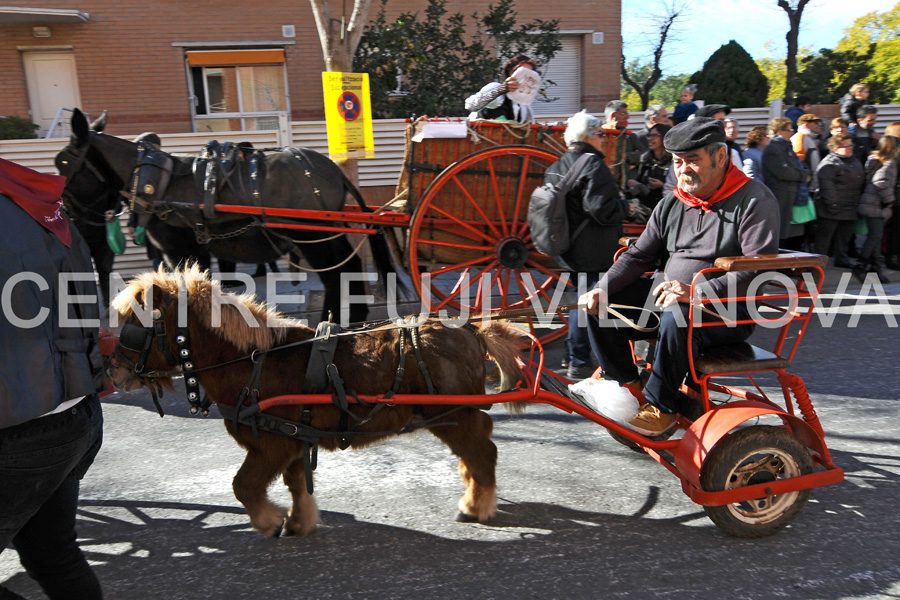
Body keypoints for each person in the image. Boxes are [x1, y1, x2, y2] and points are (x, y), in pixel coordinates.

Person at [578, 118, 779, 435]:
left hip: (726, 309)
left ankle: (662, 407)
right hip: (670, 297)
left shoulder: (755, 199)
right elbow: (640, 254)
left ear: (720, 158)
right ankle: (628, 387)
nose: (683, 169)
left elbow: (756, 267)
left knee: (678, 314)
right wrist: (603, 287)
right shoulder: (674, 201)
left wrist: (695, 291)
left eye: (694, 160)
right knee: (600, 301)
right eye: (678, 161)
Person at [0, 157, 105, 599]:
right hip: (74, 411)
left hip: (17, 424)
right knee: (54, 555)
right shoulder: (30, 195)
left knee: (54, 555)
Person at [543, 110, 627, 380]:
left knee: (582, 301)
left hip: (567, 246)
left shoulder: (556, 165)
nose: (603, 139)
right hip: (594, 249)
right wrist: (626, 206)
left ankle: (573, 355)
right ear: (589, 136)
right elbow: (599, 208)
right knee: (589, 303)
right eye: (601, 134)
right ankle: (580, 360)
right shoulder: (592, 164)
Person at [814, 133, 866, 267]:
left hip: (850, 206)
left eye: (851, 145)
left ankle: (841, 259)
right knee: (824, 238)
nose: (850, 148)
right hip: (831, 208)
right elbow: (827, 188)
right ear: (835, 147)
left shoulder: (854, 160)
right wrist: (833, 206)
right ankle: (817, 264)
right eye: (846, 146)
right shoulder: (829, 164)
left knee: (844, 237)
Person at [854, 135, 899, 284]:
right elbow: (880, 182)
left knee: (876, 237)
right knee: (874, 237)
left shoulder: (874, 158)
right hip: (876, 205)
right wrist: (889, 200)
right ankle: (861, 266)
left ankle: (875, 269)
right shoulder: (889, 162)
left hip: (868, 202)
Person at [762, 117, 810, 250]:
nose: (792, 132)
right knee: (781, 234)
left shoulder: (787, 148)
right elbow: (783, 171)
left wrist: (803, 173)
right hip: (781, 196)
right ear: (779, 132)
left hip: (793, 195)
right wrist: (803, 175)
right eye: (789, 130)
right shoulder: (772, 149)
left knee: (795, 235)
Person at [465, 54, 538, 124]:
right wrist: (500, 90)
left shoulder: (524, 103)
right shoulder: (495, 87)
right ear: (510, 72)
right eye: (522, 72)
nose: (525, 77)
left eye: (529, 74)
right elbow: (470, 105)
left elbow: (530, 127)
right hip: (480, 135)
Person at [626, 123, 672, 211]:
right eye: (649, 135)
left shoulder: (674, 161)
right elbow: (640, 182)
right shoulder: (645, 159)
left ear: (664, 138)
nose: (649, 139)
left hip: (666, 207)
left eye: (654, 136)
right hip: (646, 207)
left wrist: (662, 186)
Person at [600, 100, 643, 192]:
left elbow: (645, 153)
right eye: (623, 113)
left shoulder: (629, 136)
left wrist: (627, 157)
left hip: (625, 186)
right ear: (613, 116)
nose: (627, 116)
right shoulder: (600, 135)